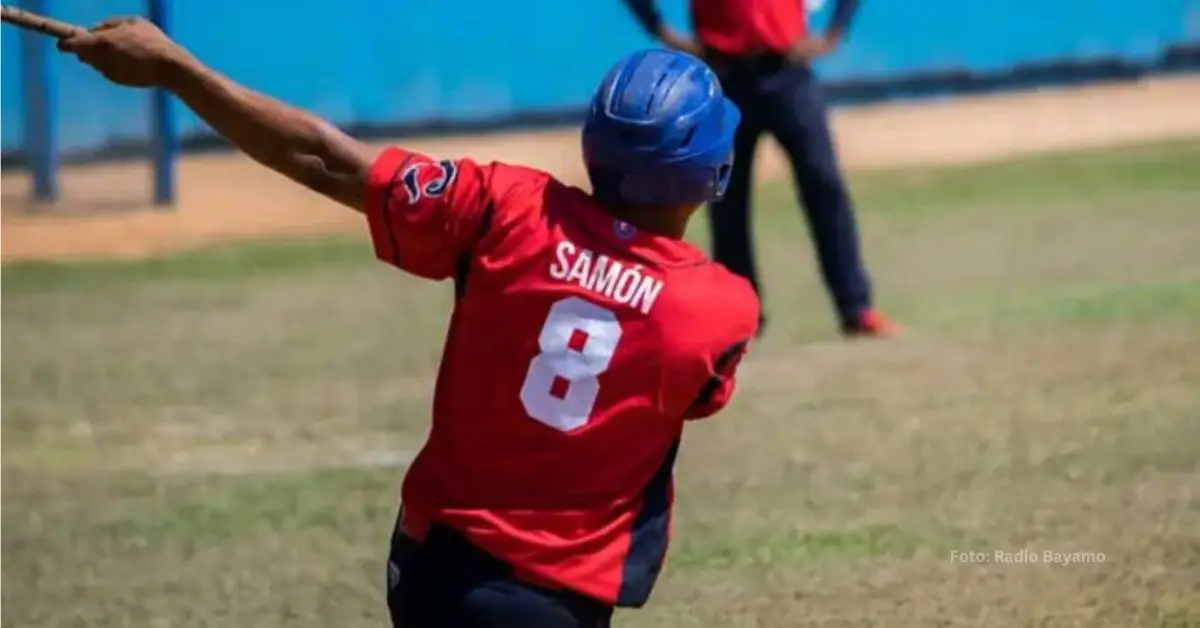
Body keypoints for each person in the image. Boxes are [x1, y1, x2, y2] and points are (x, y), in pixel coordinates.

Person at [59, 18, 759, 628]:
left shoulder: (506, 207)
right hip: (549, 599)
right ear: (713, 173)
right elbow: (698, 398)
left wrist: (178, 69)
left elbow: (323, 158)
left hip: (426, 565)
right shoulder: (718, 309)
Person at [621, 0, 900, 338]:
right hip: (724, 75)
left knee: (825, 186)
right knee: (725, 198)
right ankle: (741, 317)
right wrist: (660, 29)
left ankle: (856, 308)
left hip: (787, 71)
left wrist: (833, 33)